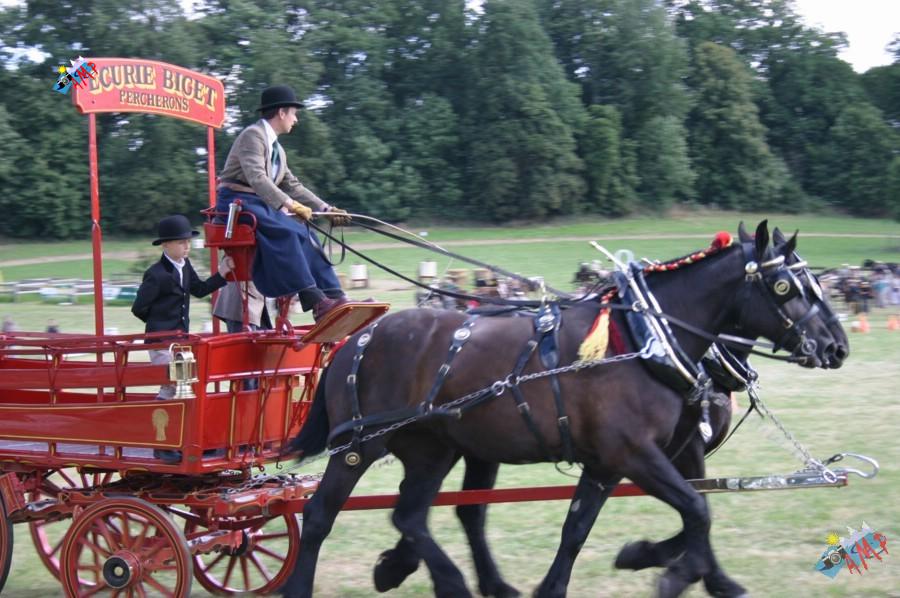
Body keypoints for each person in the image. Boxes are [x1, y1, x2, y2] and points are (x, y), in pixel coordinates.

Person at [215, 84, 358, 322]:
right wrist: (291, 205)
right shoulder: (252, 136)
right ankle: (314, 300)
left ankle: (334, 295)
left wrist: (325, 209)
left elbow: (292, 185)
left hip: (258, 202)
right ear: (281, 112)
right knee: (288, 231)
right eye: (294, 113)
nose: (296, 119)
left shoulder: (278, 150)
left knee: (306, 232)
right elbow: (257, 178)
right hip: (237, 201)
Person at [131, 214, 233, 462]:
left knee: (187, 387)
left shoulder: (185, 267)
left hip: (181, 342)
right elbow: (139, 307)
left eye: (187, 242)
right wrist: (160, 327)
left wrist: (222, 274)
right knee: (173, 384)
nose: (187, 246)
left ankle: (191, 441)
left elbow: (199, 290)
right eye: (181, 242)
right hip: (161, 342)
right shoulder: (156, 274)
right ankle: (162, 444)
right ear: (166, 245)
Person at [213, 279, 272, 391]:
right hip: (243, 300)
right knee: (246, 363)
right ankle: (248, 398)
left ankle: (251, 396)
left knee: (257, 360)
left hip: (250, 298)